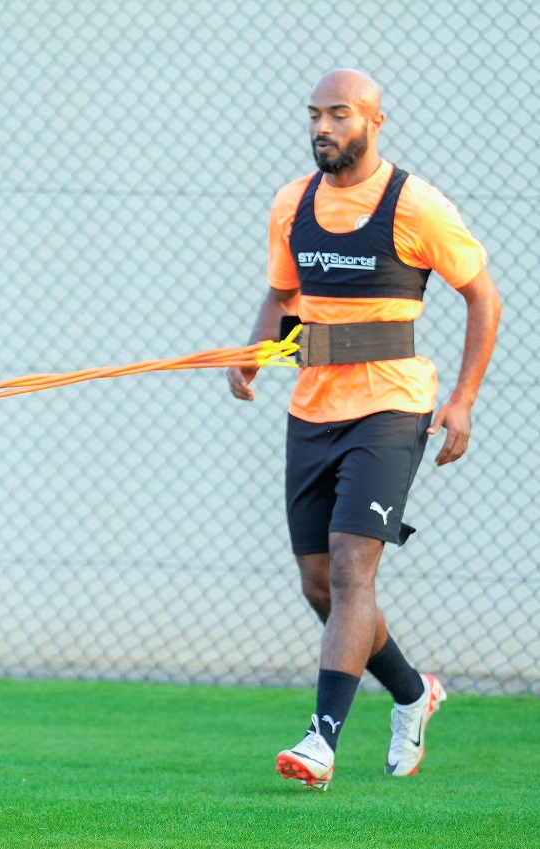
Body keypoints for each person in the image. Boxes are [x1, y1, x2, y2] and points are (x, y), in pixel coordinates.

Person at [226, 70, 501, 790]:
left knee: (353, 569)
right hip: (312, 407)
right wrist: (256, 350)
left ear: (374, 120)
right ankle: (412, 692)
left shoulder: (415, 205)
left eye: (337, 115)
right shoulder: (292, 202)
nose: (321, 127)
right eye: (313, 115)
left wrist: (463, 400)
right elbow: (282, 290)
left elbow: (482, 295)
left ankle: (320, 741)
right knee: (320, 585)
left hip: (391, 403)